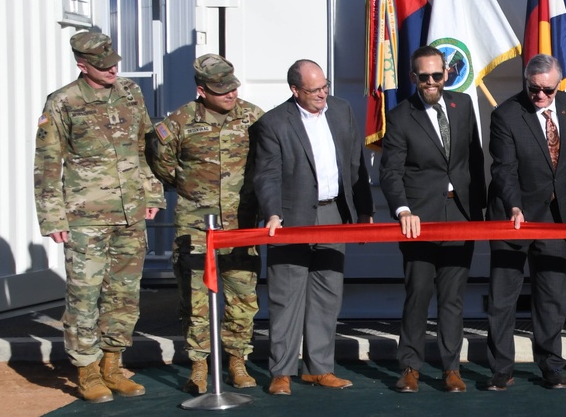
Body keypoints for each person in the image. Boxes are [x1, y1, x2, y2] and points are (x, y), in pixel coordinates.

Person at [34, 31, 166, 403]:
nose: (112, 69)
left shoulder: (129, 92)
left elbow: (144, 148)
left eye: (114, 63)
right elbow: (47, 163)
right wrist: (53, 217)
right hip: (85, 216)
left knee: (123, 294)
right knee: (84, 295)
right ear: (82, 65)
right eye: (103, 65)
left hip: (130, 213)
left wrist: (152, 191)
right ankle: (87, 370)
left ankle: (113, 363)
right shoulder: (63, 102)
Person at [250, 59, 374, 395]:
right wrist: (272, 213)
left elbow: (355, 163)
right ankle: (282, 372)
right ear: (295, 90)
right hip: (292, 218)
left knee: (327, 294)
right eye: (314, 90)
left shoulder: (342, 110)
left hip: (333, 213)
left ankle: (319, 368)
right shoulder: (273, 123)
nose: (322, 94)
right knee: (287, 297)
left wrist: (364, 210)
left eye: (325, 87)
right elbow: (267, 175)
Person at [148, 54, 263, 394]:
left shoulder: (253, 117)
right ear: (201, 90)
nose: (231, 94)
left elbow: (267, 163)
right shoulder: (179, 122)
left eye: (233, 86)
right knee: (196, 300)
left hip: (241, 225)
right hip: (195, 228)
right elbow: (162, 165)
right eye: (221, 89)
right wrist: (195, 192)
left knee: (243, 299)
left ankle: (237, 362)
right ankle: (199, 366)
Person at [380, 46, 486, 394]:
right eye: (423, 77)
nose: (430, 82)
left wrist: (480, 211)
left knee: (453, 298)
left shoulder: (463, 105)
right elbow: (391, 172)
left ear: (446, 75)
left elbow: (474, 159)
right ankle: (410, 366)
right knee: (418, 295)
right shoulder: (399, 117)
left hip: (460, 216)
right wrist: (403, 210)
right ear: (413, 78)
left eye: (436, 76)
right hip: (418, 220)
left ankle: (451, 369)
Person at [485, 54, 566, 391]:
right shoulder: (505, 114)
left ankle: (550, 365)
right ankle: (501, 369)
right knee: (503, 296)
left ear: (558, 85)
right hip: (512, 216)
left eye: (548, 89)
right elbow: (503, 169)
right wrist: (514, 206)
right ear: (526, 82)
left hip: (554, 215)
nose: (541, 96)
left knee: (552, 294)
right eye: (535, 89)